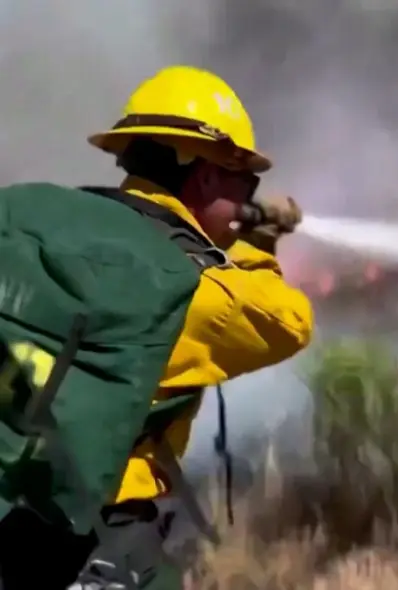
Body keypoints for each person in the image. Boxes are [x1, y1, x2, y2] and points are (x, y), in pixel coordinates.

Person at [64, 64, 315, 589]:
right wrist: (258, 242)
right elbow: (286, 323)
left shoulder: (69, 239)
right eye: (245, 180)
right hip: (105, 531)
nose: (249, 196)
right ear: (205, 175)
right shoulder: (182, 285)